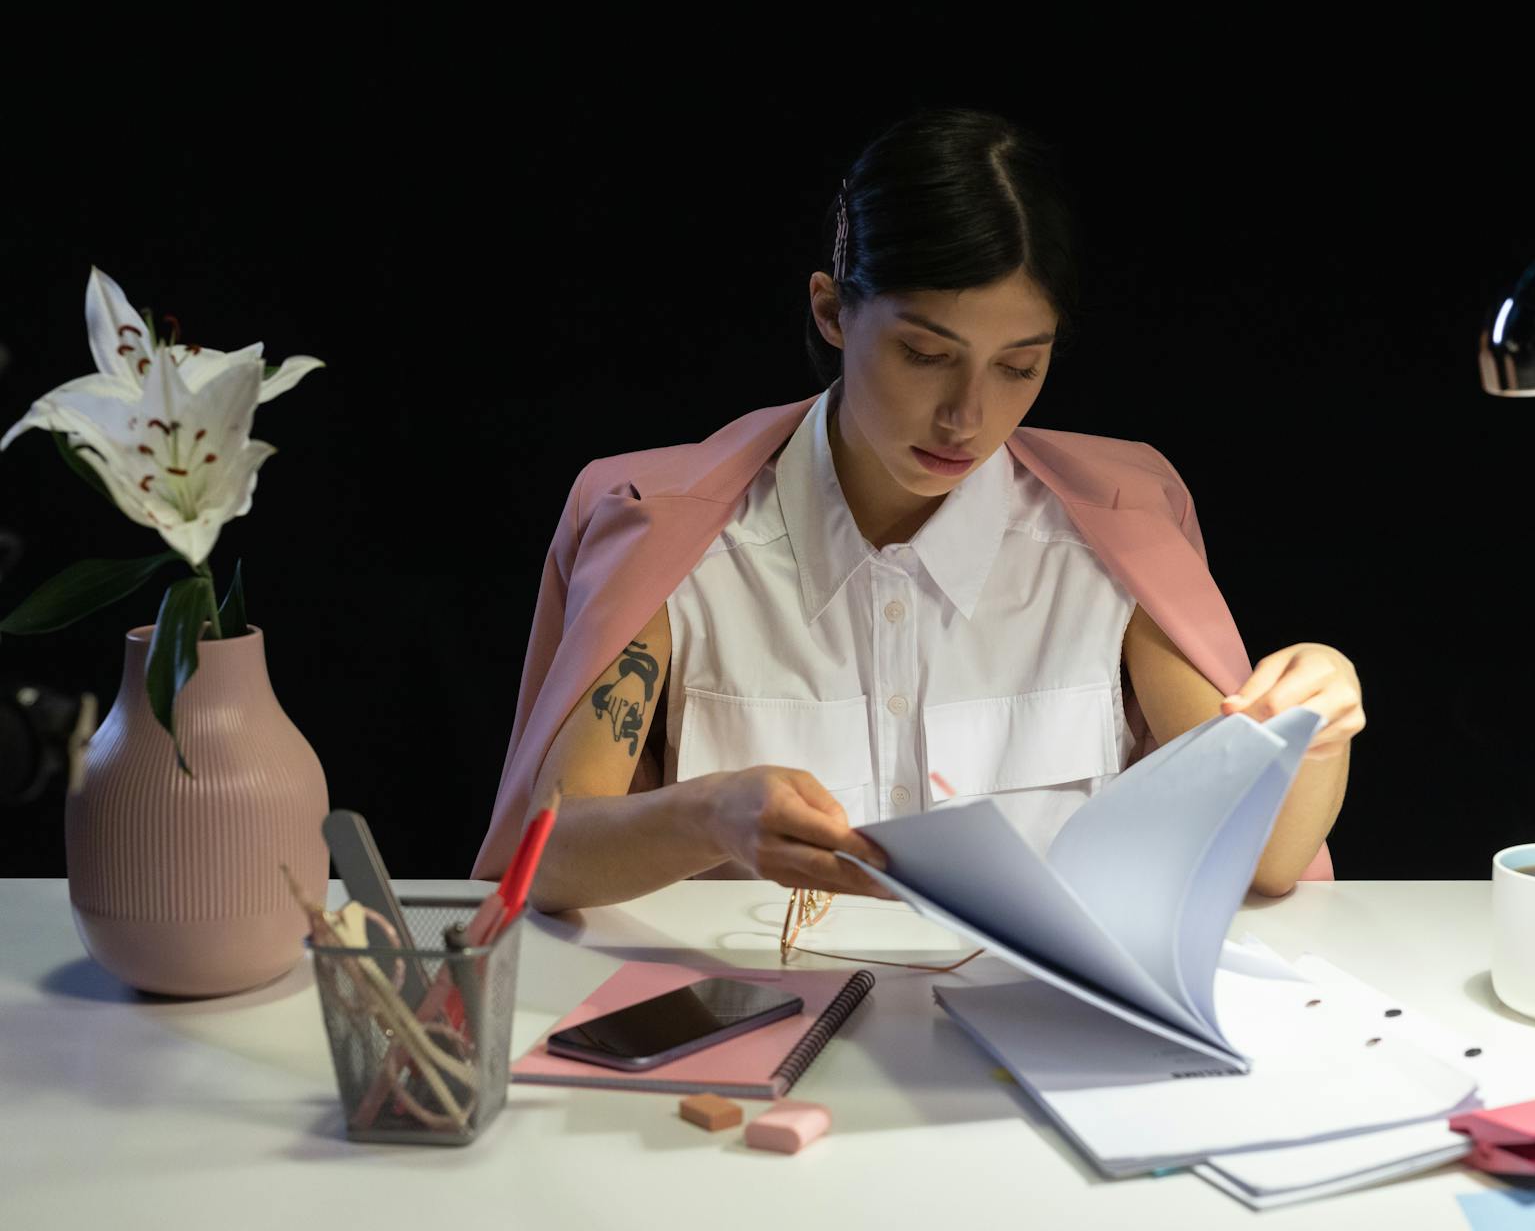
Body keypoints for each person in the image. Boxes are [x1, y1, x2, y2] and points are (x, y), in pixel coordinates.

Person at [487, 107, 1364, 914]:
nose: (967, 417)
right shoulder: (668, 527)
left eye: (1018, 367)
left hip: (1043, 1047)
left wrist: (1319, 724)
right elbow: (545, 854)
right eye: (923, 354)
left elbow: (1266, 858)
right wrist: (710, 815)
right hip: (760, 1038)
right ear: (832, 311)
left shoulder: (1117, 527)